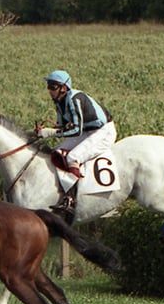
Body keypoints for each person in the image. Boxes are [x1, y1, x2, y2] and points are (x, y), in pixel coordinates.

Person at [35, 70, 116, 216]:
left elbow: (76, 131)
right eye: (48, 86)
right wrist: (43, 132)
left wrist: (51, 133)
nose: (49, 90)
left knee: (73, 157)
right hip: (87, 131)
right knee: (56, 152)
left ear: (64, 88)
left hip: (103, 132)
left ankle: (71, 200)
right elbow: (62, 126)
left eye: (53, 87)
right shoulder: (59, 101)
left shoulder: (74, 100)